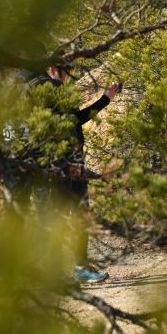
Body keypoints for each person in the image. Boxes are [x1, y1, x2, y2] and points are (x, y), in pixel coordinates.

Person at [46, 65, 120, 284]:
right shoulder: (43, 91)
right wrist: (103, 100)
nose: (68, 74)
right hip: (58, 163)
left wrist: (105, 99)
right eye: (65, 69)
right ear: (52, 69)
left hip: (75, 161)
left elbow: (76, 120)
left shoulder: (62, 92)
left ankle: (80, 268)